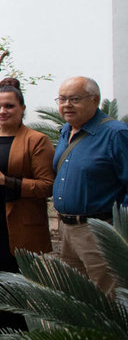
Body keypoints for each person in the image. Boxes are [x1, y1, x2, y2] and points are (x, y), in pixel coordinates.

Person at [0, 79, 54, 333]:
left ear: (22, 108)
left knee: (11, 281)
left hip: (15, 225)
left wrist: (8, 181)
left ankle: (9, 337)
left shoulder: (36, 141)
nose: (2, 111)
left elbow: (46, 185)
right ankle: (6, 335)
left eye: (9, 106)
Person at [51, 76, 128, 296]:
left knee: (108, 298)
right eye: (62, 99)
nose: (67, 105)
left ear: (95, 100)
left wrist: (118, 227)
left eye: (75, 99)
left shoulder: (116, 133)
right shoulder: (66, 131)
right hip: (66, 230)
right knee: (75, 296)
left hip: (99, 230)